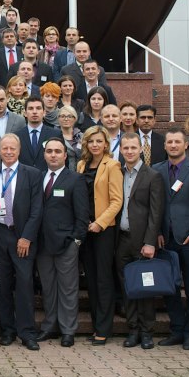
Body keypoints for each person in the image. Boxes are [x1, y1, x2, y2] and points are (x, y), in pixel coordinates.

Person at [0, 133, 44, 349]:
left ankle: (27, 332)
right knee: (2, 284)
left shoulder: (32, 174)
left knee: (24, 284)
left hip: (22, 236)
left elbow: (37, 209)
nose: (8, 152)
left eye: (12, 148)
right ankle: (7, 330)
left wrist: (27, 237)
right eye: (5, 148)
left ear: (19, 151)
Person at [35, 137, 89, 347]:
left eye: (58, 151)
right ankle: (49, 326)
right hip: (43, 244)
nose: (53, 155)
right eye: (49, 151)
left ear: (65, 155)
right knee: (48, 288)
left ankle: (68, 330)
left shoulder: (75, 179)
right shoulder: (37, 177)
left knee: (68, 288)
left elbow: (82, 214)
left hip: (67, 243)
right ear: (44, 155)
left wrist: (76, 240)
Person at [154, 128, 189, 350]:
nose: (173, 145)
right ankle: (177, 329)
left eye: (177, 142)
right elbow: (155, 206)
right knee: (169, 287)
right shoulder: (156, 170)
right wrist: (157, 232)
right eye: (169, 142)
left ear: (186, 145)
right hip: (166, 238)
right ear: (164, 146)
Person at [115, 133, 165, 350]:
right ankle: (132, 329)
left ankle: (147, 332)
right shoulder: (117, 173)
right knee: (127, 288)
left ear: (140, 149)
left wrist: (150, 242)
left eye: (133, 147)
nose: (129, 151)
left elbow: (156, 213)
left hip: (142, 241)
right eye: (125, 148)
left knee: (144, 289)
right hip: (121, 240)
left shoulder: (152, 176)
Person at [76, 125, 122, 345]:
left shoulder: (112, 165)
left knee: (103, 279)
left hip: (104, 230)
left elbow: (117, 201)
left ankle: (104, 329)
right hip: (85, 229)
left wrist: (99, 223)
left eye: (99, 141)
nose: (95, 145)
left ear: (106, 144)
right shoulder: (81, 165)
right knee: (91, 280)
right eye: (91, 141)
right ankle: (96, 327)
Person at [57, 105, 82, 170]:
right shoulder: (54, 136)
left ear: (75, 118)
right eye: (62, 116)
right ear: (58, 119)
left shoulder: (82, 136)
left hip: (82, 173)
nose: (66, 119)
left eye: (69, 116)